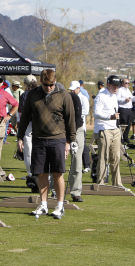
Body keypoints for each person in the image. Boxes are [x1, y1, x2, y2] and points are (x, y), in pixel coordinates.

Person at [17, 69, 75, 219]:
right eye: (45, 85)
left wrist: (69, 141)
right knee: (41, 173)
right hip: (39, 139)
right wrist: (20, 137)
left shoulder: (64, 95)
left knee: (57, 173)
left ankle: (60, 206)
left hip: (58, 139)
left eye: (51, 85)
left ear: (55, 82)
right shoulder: (33, 95)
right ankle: (43, 205)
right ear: (41, 82)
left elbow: (70, 120)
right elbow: (24, 118)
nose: (48, 88)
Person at [94, 75, 126, 187]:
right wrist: (110, 117)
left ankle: (117, 183)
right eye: (114, 86)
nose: (116, 88)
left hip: (115, 129)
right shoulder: (101, 96)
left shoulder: (114, 96)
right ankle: (100, 182)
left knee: (116, 156)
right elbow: (96, 113)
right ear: (108, 84)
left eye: (117, 86)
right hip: (104, 129)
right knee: (104, 157)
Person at [17, 75, 39, 176]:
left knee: (28, 148)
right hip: (40, 123)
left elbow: (21, 113)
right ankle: (39, 172)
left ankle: (31, 173)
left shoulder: (24, 95)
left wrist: (19, 126)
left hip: (28, 123)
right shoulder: (41, 92)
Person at [67, 81, 85, 202]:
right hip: (62, 131)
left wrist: (71, 138)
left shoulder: (80, 99)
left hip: (77, 130)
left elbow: (79, 117)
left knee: (77, 162)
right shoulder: (65, 97)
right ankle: (53, 190)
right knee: (58, 161)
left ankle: (75, 192)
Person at [117, 78, 135, 144]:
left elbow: (132, 98)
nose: (127, 84)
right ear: (122, 83)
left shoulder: (128, 90)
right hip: (123, 109)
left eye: (128, 83)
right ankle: (121, 138)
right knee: (123, 124)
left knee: (129, 124)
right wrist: (125, 100)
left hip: (129, 109)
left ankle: (126, 137)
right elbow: (117, 99)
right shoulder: (120, 90)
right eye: (126, 83)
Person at [79, 80, 91, 172]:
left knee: (83, 145)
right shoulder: (71, 96)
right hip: (72, 125)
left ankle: (87, 165)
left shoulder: (83, 97)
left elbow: (85, 111)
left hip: (81, 125)